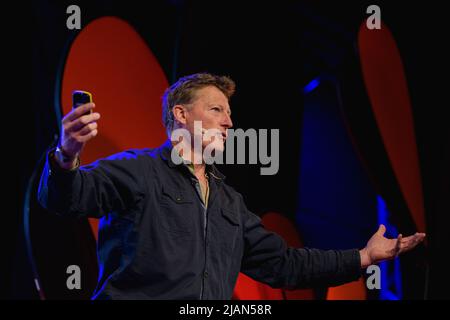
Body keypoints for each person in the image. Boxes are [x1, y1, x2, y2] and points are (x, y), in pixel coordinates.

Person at [38, 73, 426, 300]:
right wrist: (67, 151)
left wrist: (363, 257)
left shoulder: (229, 202)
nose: (229, 123)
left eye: (229, 114)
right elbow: (67, 199)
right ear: (181, 115)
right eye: (217, 110)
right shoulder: (137, 170)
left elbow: (284, 263)